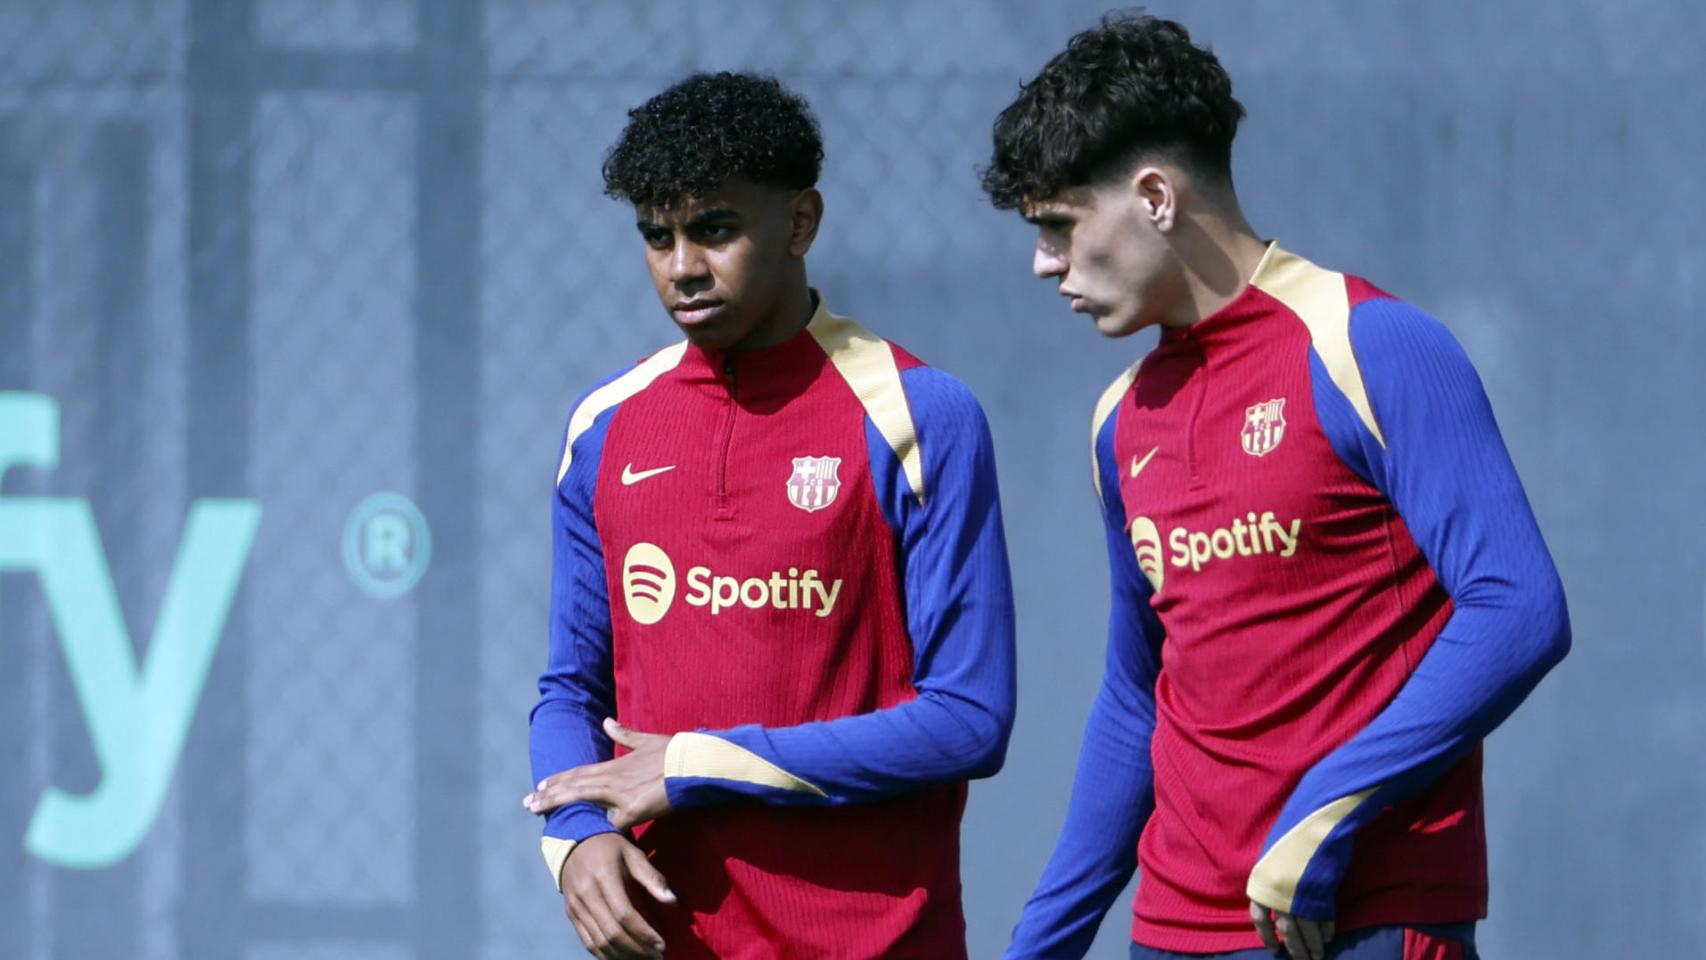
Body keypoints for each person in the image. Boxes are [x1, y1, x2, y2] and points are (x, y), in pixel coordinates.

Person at [983, 13, 1569, 960]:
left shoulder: (1369, 346)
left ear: (1155, 196)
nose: (1043, 263)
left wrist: (1324, 814)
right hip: (1173, 932)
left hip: (1358, 916)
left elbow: (1518, 608)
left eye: (1059, 225)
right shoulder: (1120, 418)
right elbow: (1139, 696)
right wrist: (1042, 939)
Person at [523, 71, 1017, 960]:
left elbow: (969, 717)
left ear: (800, 223)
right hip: (672, 939)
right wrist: (577, 835)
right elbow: (571, 692)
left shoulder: (918, 414)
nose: (681, 267)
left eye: (714, 229)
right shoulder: (603, 429)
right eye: (656, 236)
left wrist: (697, 765)